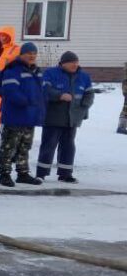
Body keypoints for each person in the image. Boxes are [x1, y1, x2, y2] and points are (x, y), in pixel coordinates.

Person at [36, 51, 95, 183]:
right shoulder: (51, 73)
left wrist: (84, 106)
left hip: (72, 118)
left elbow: (89, 94)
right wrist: (59, 95)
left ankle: (65, 174)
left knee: (68, 146)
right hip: (53, 116)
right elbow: (44, 90)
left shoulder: (84, 76)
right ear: (63, 63)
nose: (75, 64)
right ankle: (41, 173)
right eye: (71, 62)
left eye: (76, 62)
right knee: (48, 145)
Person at [0, 42, 45, 187]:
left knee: (24, 146)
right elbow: (11, 91)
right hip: (14, 116)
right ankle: (4, 174)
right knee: (9, 146)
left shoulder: (36, 71)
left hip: (30, 116)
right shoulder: (13, 70)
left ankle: (23, 173)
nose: (32, 56)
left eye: (34, 53)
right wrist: (27, 101)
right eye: (29, 53)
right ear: (21, 55)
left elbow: (40, 91)